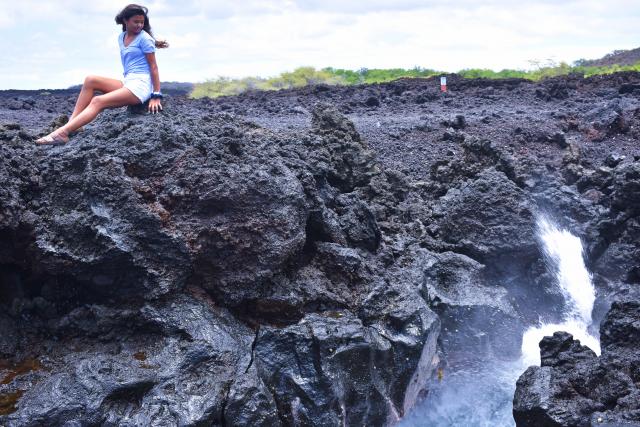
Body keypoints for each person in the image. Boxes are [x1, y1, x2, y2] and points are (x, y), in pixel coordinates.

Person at [35, 4, 169, 145]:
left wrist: (156, 95)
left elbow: (153, 68)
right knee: (90, 80)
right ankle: (74, 124)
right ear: (125, 20)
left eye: (142, 22)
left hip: (141, 86)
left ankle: (62, 133)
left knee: (98, 101)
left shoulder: (145, 39)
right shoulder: (122, 37)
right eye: (136, 22)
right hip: (129, 82)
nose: (139, 25)